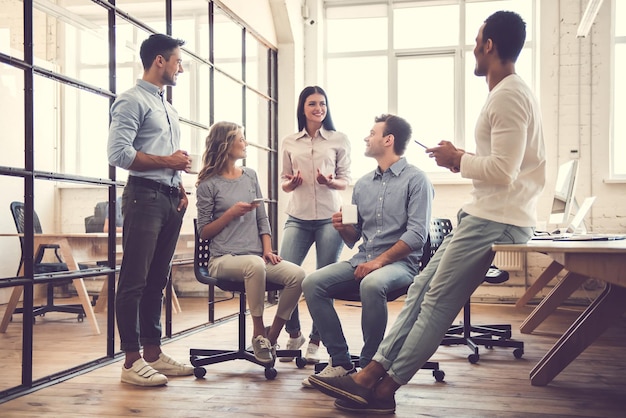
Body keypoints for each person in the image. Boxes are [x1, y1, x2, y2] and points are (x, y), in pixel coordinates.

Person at [308, 11, 546, 415]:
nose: (473, 46)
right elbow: (505, 165)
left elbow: (504, 172)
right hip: (486, 213)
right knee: (421, 292)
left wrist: (458, 159)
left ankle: (381, 387)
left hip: (497, 217)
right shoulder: (506, 94)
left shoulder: (508, 95)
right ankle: (371, 374)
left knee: (435, 302)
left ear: (489, 45)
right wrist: (461, 159)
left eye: (477, 40)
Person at [301, 114, 434, 388]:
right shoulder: (362, 184)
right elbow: (355, 237)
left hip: (401, 265)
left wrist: (379, 263)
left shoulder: (417, 180)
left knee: (372, 284)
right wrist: (342, 227)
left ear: (388, 140)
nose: (366, 137)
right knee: (312, 282)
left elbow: (417, 235)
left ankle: (369, 367)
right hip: (364, 259)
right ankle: (339, 362)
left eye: (372, 133)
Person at [107, 33, 194, 387]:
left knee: (157, 281)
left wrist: (180, 186)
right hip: (144, 198)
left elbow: (167, 157)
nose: (180, 67)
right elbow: (118, 154)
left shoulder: (167, 107)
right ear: (159, 60)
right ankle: (131, 361)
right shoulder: (131, 101)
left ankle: (153, 353)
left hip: (170, 198)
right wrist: (166, 161)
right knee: (135, 280)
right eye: (177, 61)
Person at [196, 121, 306, 364]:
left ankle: (272, 336)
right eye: (241, 139)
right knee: (254, 265)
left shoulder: (250, 175)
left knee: (298, 275)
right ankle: (258, 333)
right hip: (223, 259)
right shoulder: (208, 184)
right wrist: (230, 214)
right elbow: (204, 232)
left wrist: (267, 250)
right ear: (226, 144)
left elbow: (262, 218)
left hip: (256, 257)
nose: (245, 143)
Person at [278, 86, 351, 364]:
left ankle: (316, 340)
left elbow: (345, 179)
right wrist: (291, 183)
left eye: (322, 103)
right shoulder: (289, 141)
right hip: (298, 215)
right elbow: (285, 183)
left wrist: (330, 182)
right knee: (285, 275)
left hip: (330, 218)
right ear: (303, 108)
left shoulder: (339, 139)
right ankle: (294, 333)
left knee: (323, 279)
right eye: (312, 103)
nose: (318, 108)